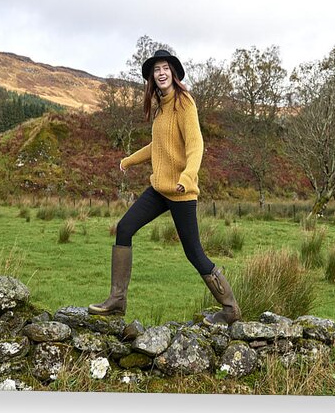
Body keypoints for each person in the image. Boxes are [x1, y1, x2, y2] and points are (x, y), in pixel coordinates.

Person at [88, 49, 241, 326]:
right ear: (152, 77)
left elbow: (196, 146)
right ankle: (117, 301)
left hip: (182, 192)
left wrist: (187, 177)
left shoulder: (185, 104)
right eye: (156, 69)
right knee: (124, 228)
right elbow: (158, 146)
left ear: (173, 73)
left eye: (165, 68)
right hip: (160, 189)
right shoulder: (160, 107)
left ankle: (230, 308)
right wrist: (129, 160)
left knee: (194, 253)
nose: (161, 73)